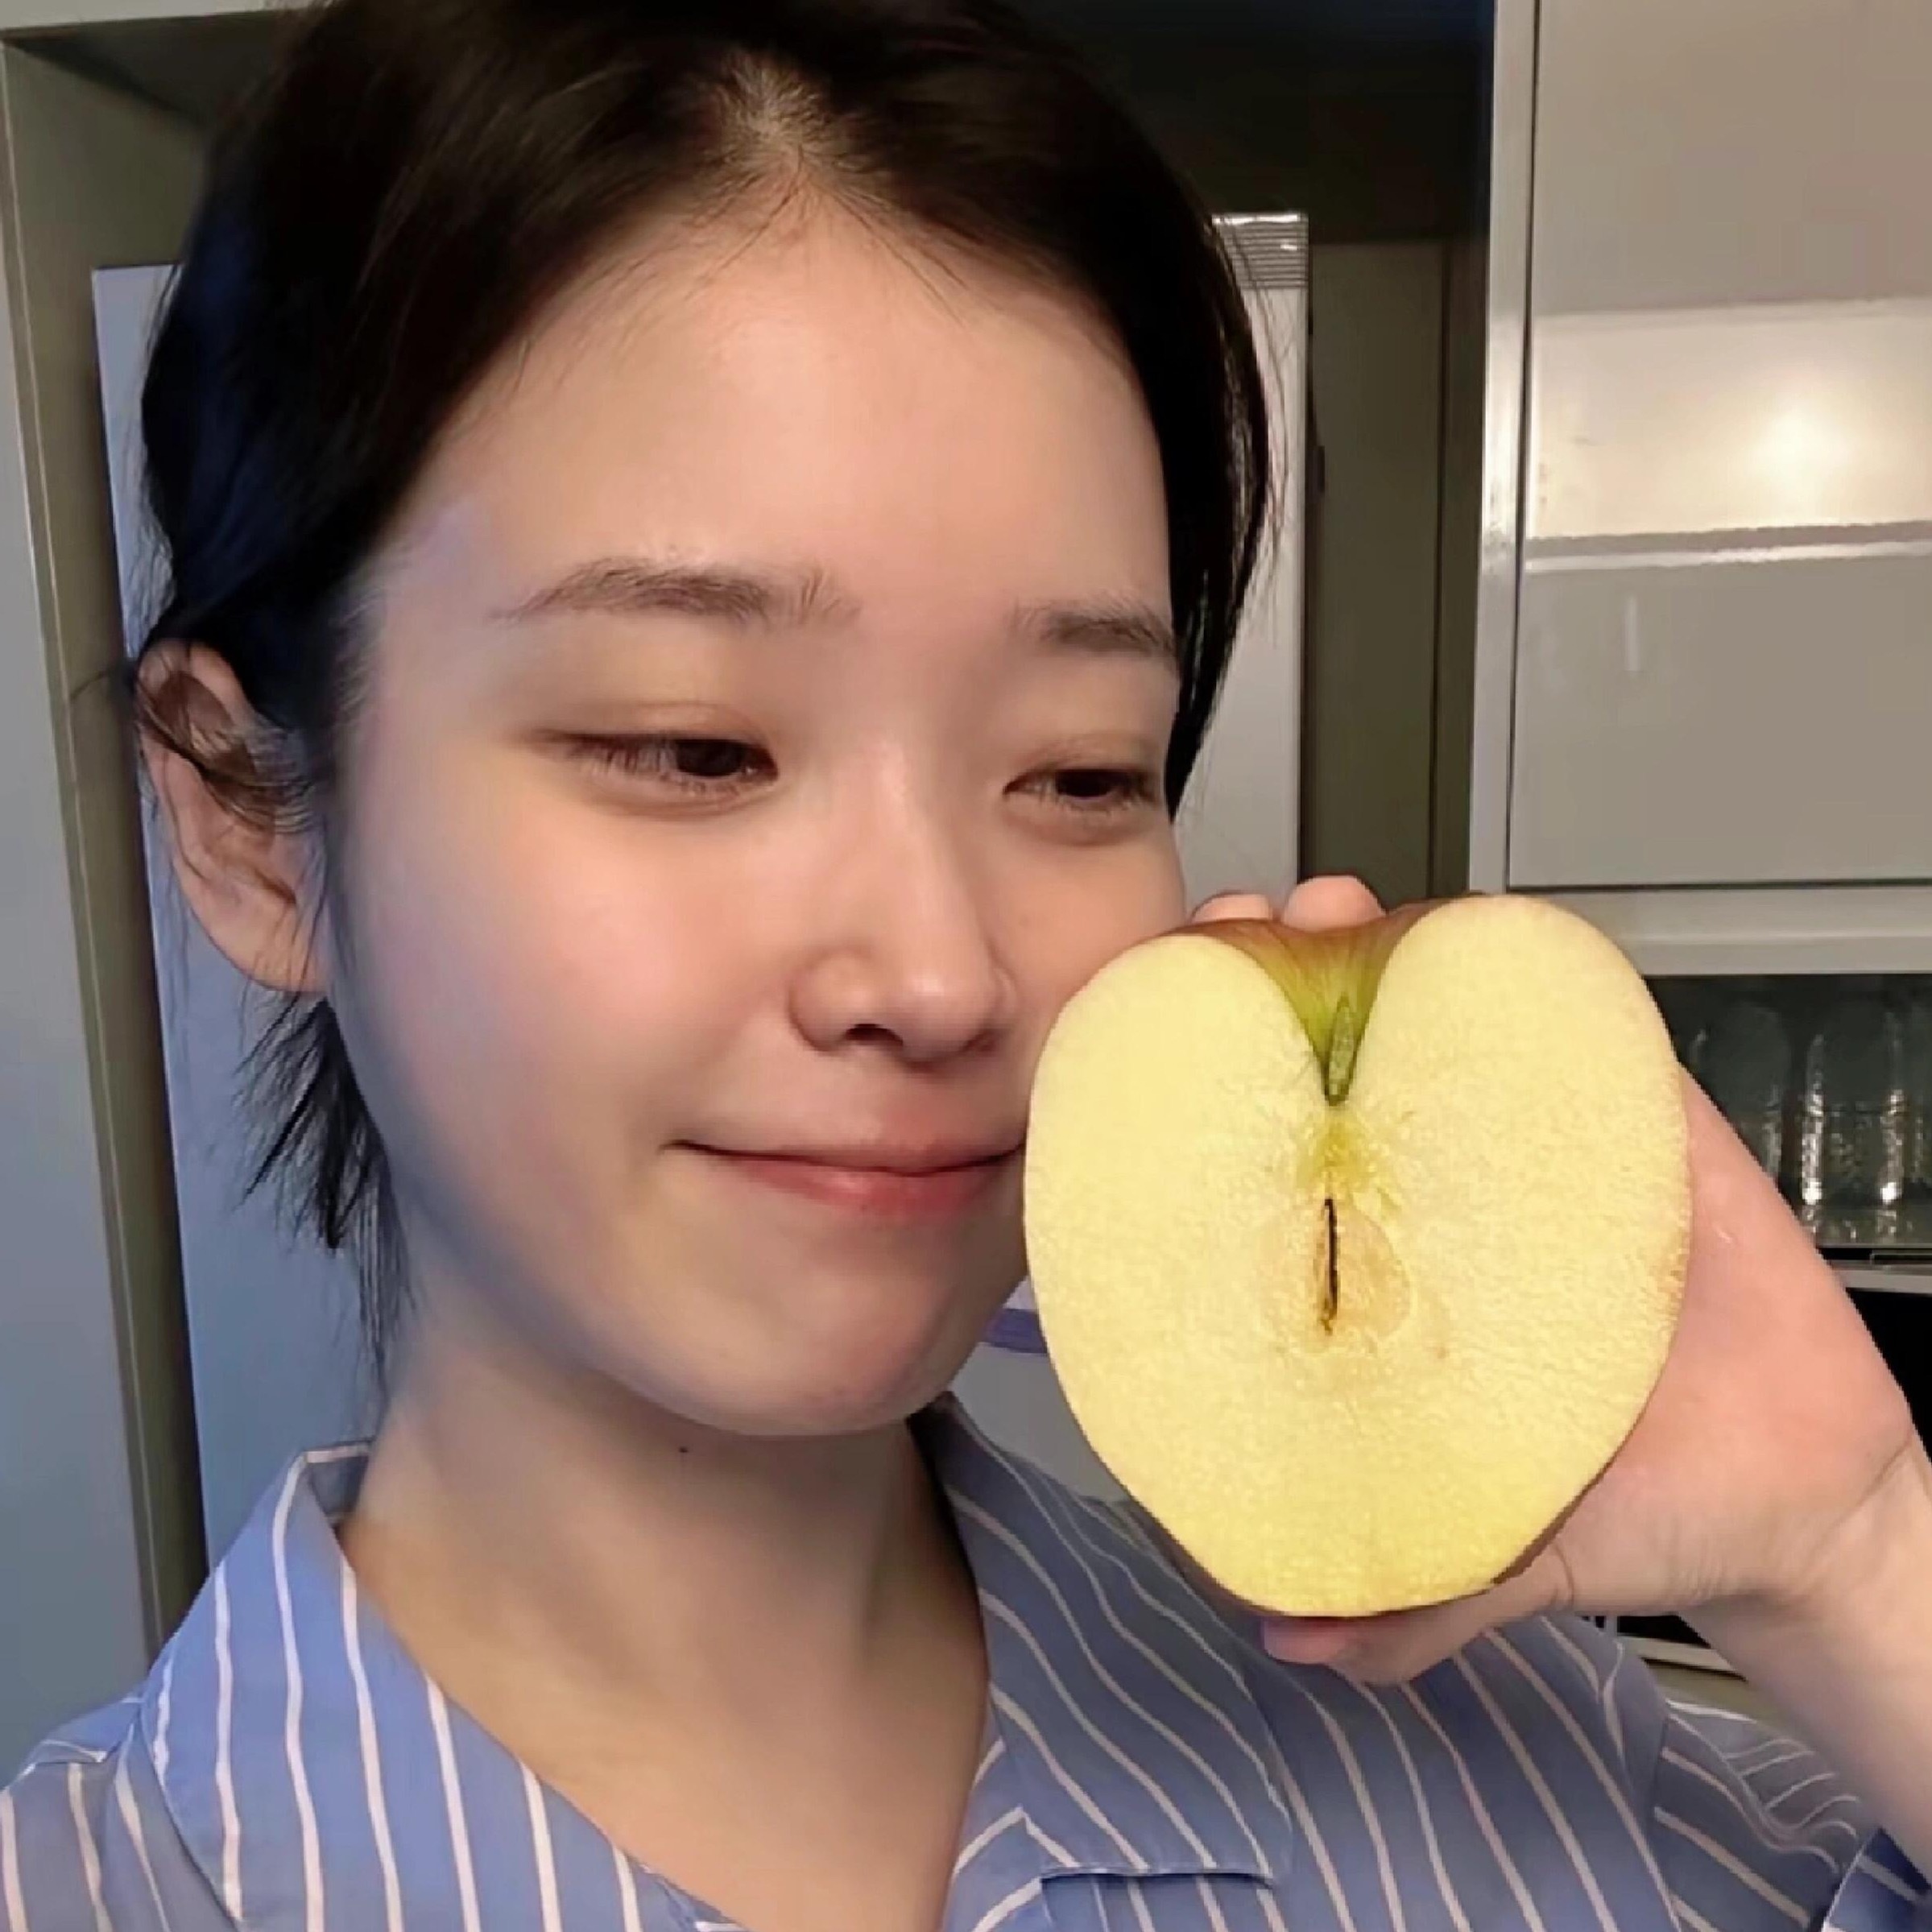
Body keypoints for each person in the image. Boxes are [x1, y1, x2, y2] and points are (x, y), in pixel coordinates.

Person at [4, 0, 1930, 1926]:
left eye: (1082, 772)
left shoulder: (1515, 1761)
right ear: (247, 818)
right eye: (696, 748)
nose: (937, 977)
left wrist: (1857, 1549)